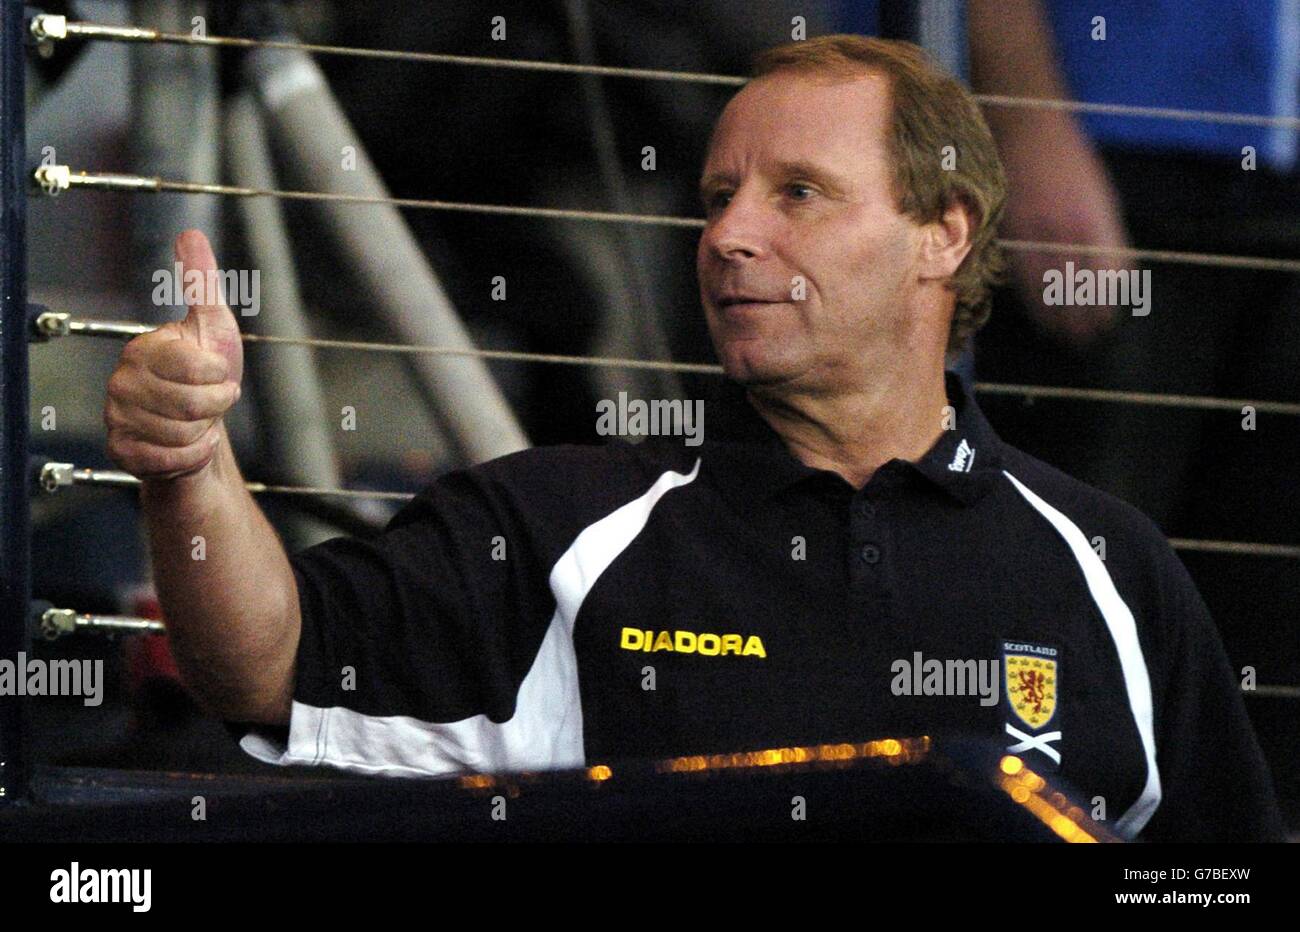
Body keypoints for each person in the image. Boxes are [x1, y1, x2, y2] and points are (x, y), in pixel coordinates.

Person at [103, 35, 1283, 841]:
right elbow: (263, 665)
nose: (729, 236)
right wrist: (188, 469)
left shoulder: (1109, 566)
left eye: (797, 194)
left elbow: (1214, 875)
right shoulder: (560, 524)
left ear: (942, 233)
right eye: (717, 197)